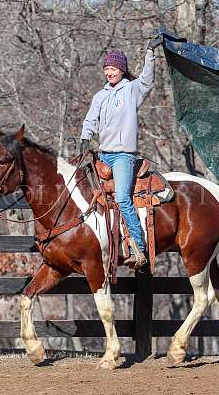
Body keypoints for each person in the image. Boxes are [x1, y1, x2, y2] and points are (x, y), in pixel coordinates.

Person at [80, 35, 164, 269]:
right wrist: (85, 137)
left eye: (113, 68)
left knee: (122, 198)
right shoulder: (100, 96)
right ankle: (102, 244)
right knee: (87, 194)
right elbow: (90, 119)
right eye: (106, 69)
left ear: (122, 70)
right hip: (102, 154)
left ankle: (138, 247)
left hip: (122, 156)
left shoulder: (132, 91)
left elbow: (147, 80)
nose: (109, 73)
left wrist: (150, 53)